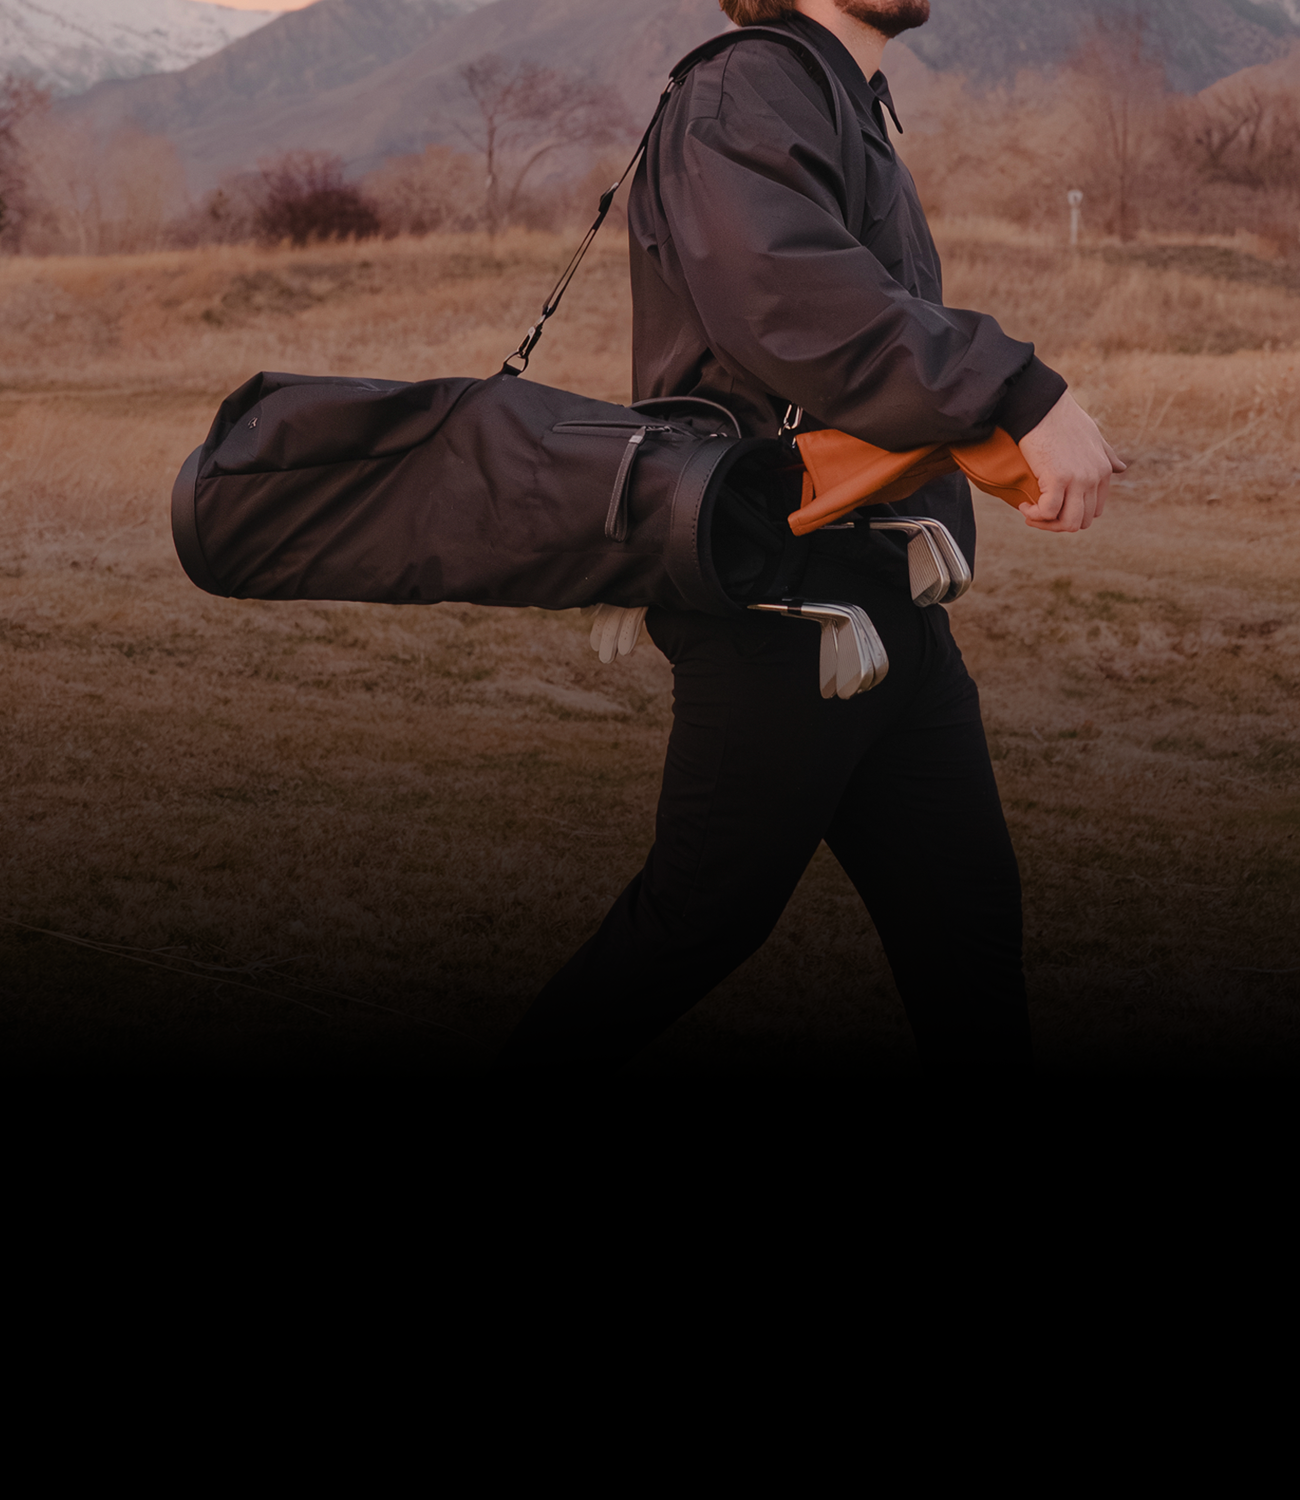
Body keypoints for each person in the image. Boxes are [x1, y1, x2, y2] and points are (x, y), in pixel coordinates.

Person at [497, 0, 1123, 1074]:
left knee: (967, 945)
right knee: (691, 928)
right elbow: (796, 305)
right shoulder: (750, 84)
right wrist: (1016, 386)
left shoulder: (840, 98)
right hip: (783, 612)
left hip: (889, 612)